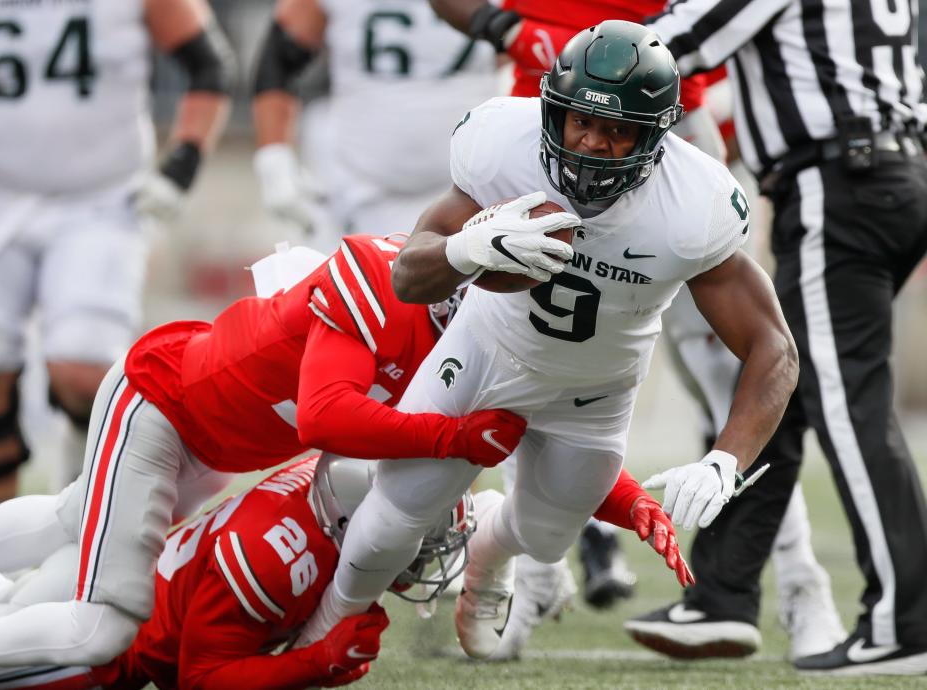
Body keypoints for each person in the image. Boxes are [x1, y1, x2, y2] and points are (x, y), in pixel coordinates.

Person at [294, 21, 799, 661]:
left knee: (543, 533)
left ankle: (488, 552)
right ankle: (325, 629)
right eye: (579, 122)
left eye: (616, 131)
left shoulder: (692, 207)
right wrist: (464, 248)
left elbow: (774, 348)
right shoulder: (501, 146)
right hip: (483, 350)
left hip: (594, 391)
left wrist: (726, 458)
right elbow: (407, 277)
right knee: (393, 517)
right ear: (550, 111)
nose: (591, 143)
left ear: (655, 137)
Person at [0, 233, 531, 667]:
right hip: (163, 403)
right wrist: (451, 437)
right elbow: (323, 415)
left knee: (76, 519)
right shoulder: (376, 281)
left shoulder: (443, 336)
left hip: (218, 446)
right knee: (102, 627)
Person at [622, 0, 927, 676]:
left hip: (836, 184)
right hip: (891, 171)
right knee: (774, 384)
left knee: (851, 409)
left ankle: (906, 622)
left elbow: (669, 42)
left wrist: (568, 55)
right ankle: (722, 596)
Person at [0, 0, 236, 510]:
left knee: (85, 369)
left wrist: (180, 165)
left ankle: (83, 496)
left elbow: (208, 63)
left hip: (99, 199)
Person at [0, 454, 462, 689]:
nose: (424, 555)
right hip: (95, 655)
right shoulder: (276, 562)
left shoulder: (326, 486)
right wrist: (314, 662)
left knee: (0, 605)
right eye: (418, 538)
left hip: (96, 575)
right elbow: (199, 679)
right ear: (354, 524)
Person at [251, 0, 499, 248]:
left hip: (470, 186)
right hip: (359, 181)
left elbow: (528, 52)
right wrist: (274, 158)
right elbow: (280, 56)